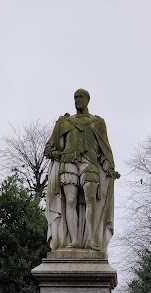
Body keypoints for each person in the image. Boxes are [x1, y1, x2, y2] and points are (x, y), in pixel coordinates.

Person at [44, 89, 120, 252]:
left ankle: (92, 239)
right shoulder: (64, 122)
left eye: (81, 97)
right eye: (75, 97)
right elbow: (49, 148)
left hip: (89, 162)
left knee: (90, 199)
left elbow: (104, 150)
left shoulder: (97, 122)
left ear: (87, 100)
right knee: (70, 201)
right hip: (68, 161)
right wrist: (54, 153)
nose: (77, 100)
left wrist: (109, 168)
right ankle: (74, 240)